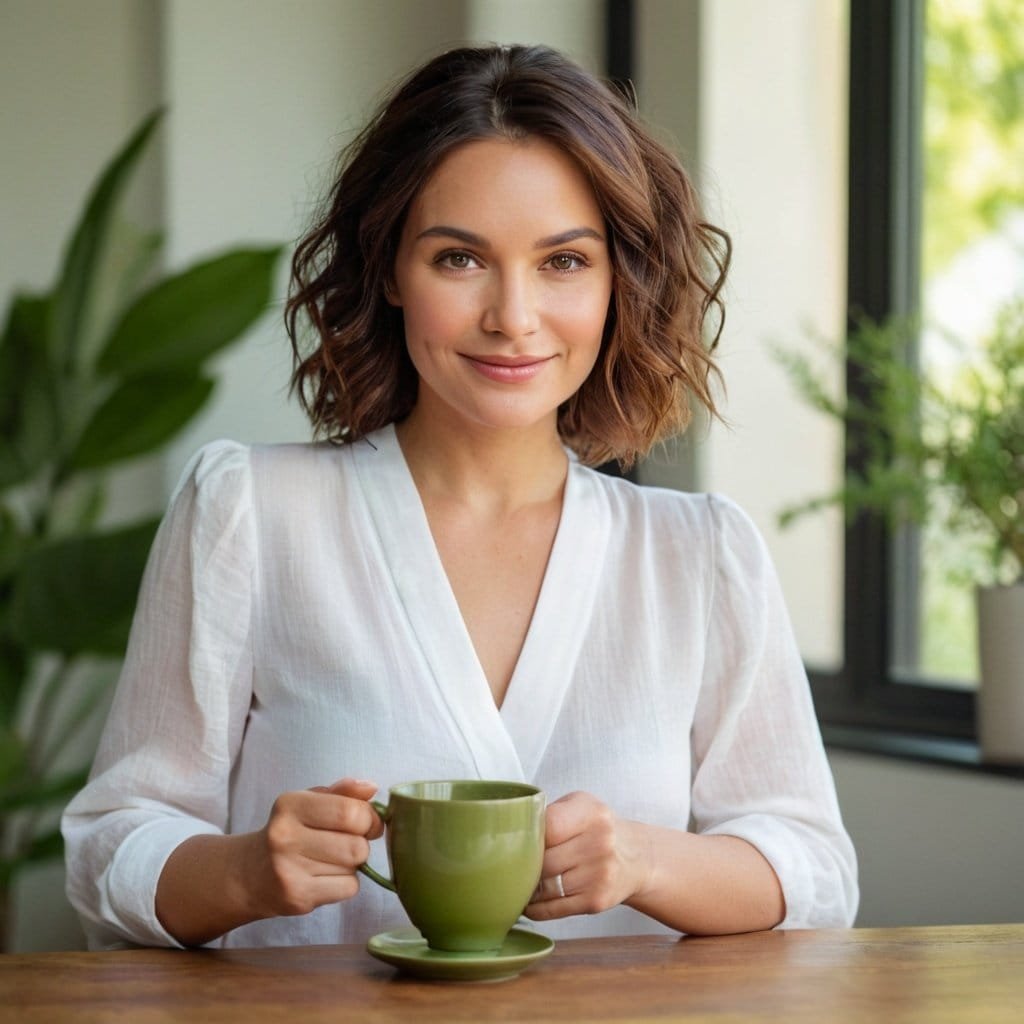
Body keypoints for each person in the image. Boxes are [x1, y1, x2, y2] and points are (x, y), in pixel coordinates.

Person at [62, 43, 858, 950]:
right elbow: (112, 844)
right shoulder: (249, 511)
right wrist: (245, 871)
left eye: (563, 262)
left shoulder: (699, 553)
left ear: (617, 285)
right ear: (390, 269)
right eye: (459, 259)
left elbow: (815, 870)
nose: (512, 317)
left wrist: (646, 861)